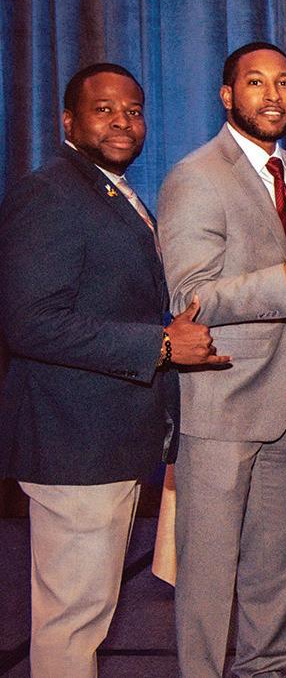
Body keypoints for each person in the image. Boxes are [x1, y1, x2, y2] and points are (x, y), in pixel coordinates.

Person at [0, 62, 223, 678]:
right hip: (74, 442)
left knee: (85, 613)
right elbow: (31, 323)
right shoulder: (49, 195)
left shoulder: (110, 191)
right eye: (104, 110)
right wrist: (160, 345)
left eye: (133, 111)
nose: (122, 122)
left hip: (103, 441)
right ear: (68, 121)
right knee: (72, 620)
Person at [157, 41, 286, 678]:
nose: (273, 96)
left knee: (277, 566)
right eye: (256, 83)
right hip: (220, 401)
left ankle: (266, 671)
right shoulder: (196, 175)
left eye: (284, 83)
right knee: (209, 571)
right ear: (227, 95)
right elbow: (190, 297)